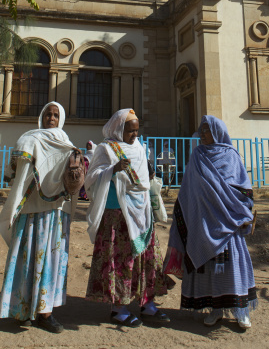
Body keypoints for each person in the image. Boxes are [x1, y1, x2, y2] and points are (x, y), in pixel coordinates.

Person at [0, 102, 85, 333]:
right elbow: (12, 171)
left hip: (55, 214)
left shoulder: (66, 143)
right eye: (48, 114)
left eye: (56, 115)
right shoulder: (30, 139)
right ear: (41, 116)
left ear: (61, 118)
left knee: (49, 262)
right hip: (31, 211)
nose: (52, 118)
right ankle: (22, 310)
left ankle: (45, 312)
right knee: (27, 259)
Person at [84, 108, 173, 328]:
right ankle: (118, 308)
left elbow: (142, 177)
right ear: (118, 128)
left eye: (136, 130)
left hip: (141, 213)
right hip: (117, 215)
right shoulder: (106, 149)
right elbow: (91, 179)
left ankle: (147, 303)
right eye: (130, 131)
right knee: (120, 260)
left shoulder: (139, 148)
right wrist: (112, 170)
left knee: (146, 258)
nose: (134, 135)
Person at [166, 115, 257, 329]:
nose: (203, 134)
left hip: (228, 224)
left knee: (231, 267)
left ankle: (240, 310)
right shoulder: (197, 155)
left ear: (217, 132)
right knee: (209, 269)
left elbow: (242, 188)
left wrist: (240, 212)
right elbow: (189, 188)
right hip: (204, 223)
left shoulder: (231, 156)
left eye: (207, 130)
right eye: (202, 130)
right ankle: (216, 309)